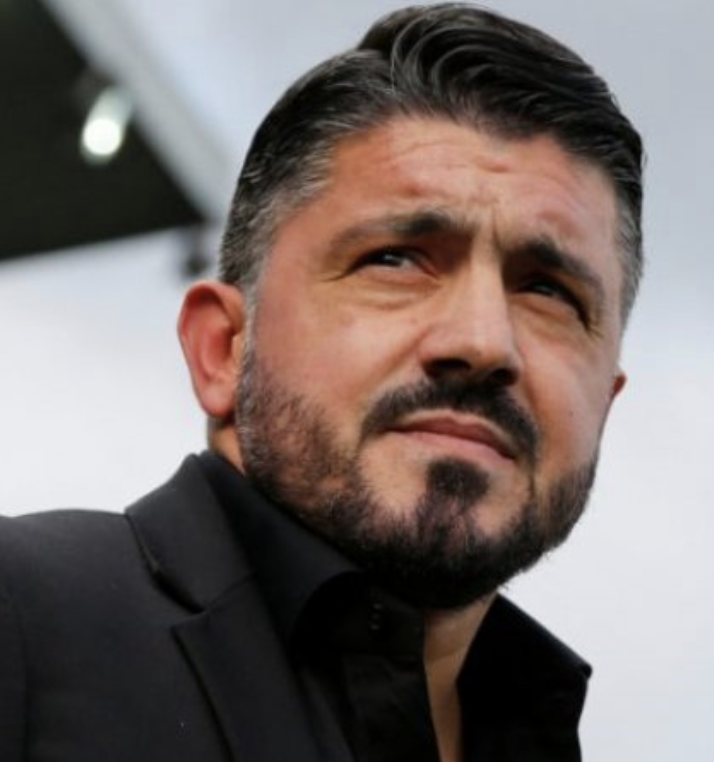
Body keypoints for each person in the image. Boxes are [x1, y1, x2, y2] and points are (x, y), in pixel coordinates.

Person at [0, 4, 643, 761]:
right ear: (222, 348)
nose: (481, 342)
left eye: (548, 292)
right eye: (395, 260)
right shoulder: (24, 623)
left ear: (605, 403)